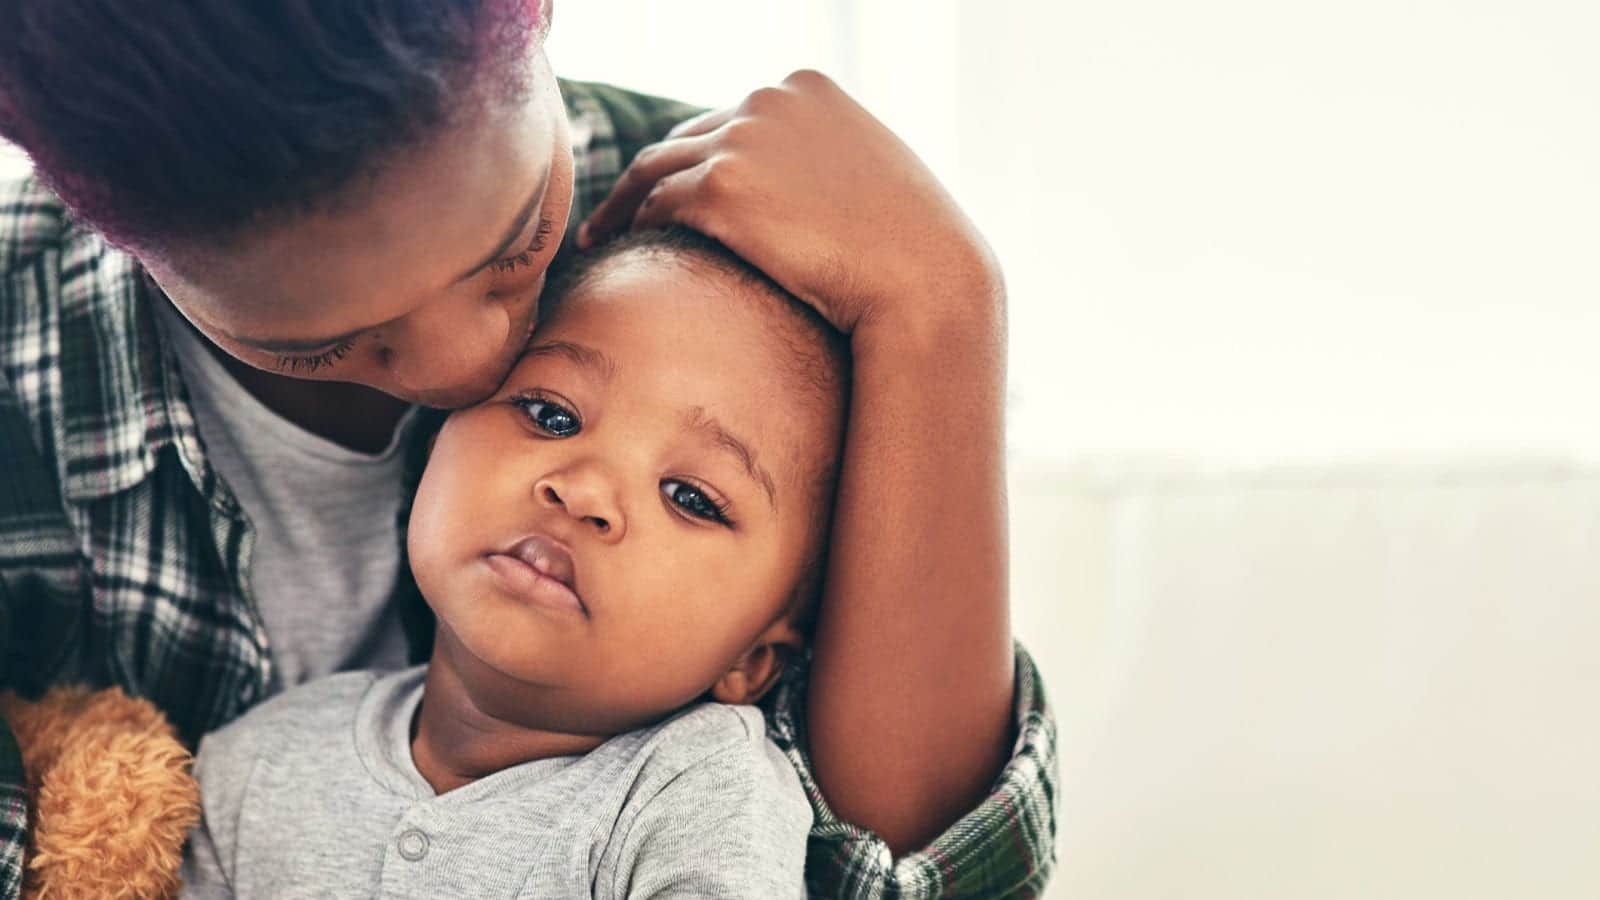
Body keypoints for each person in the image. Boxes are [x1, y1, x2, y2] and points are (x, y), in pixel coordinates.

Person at [0, 2, 1056, 896]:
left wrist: (943, 301)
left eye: (516, 248)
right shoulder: (23, 344)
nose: (469, 370)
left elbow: (897, 870)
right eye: (325, 344)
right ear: (116, 236)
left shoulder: (755, 275)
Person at [179, 229, 843, 898]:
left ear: (752, 662)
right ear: (435, 439)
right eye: (551, 415)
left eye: (690, 497)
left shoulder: (699, 793)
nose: (582, 490)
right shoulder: (260, 761)